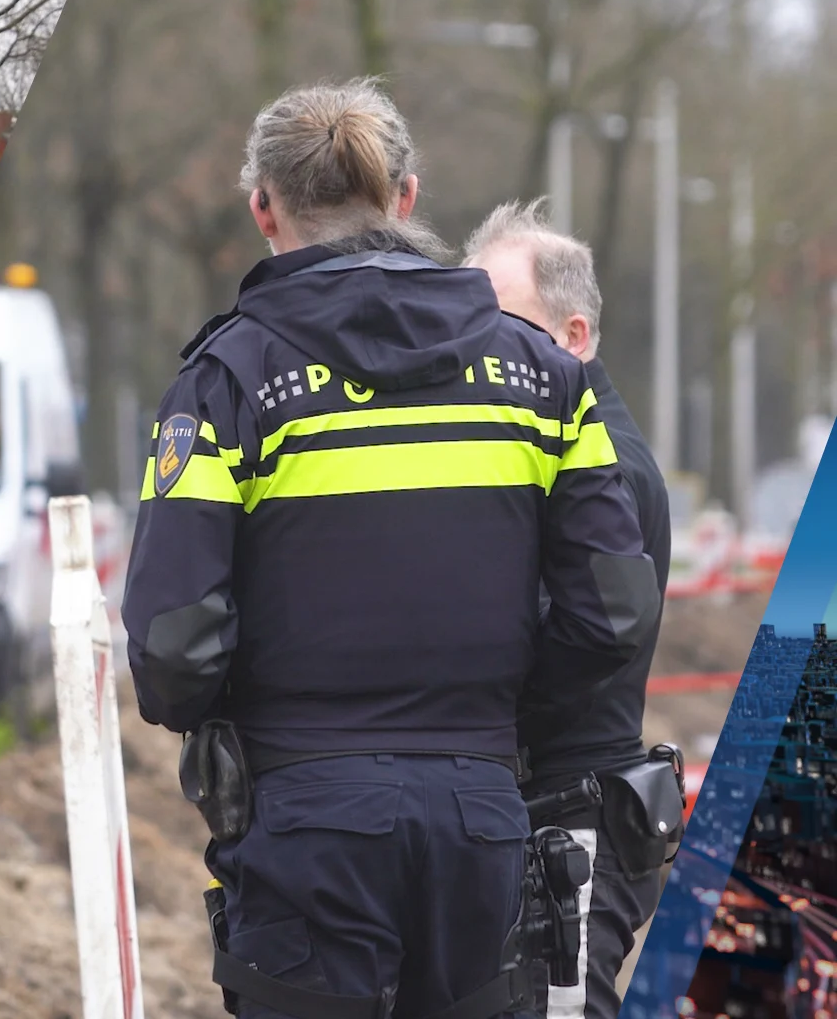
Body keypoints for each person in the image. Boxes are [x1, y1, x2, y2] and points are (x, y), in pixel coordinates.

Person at [121, 77, 662, 1019]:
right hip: (483, 823)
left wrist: (244, 729)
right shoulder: (544, 377)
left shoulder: (224, 384)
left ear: (263, 208)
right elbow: (614, 608)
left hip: (301, 825)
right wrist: (496, 716)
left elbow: (172, 643)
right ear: (407, 199)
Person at [463, 200, 674, 1019]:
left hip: (572, 823)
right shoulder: (545, 447)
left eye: (504, 329)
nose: (476, 355)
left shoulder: (606, 471)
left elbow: (583, 638)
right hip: (546, 812)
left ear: (574, 336)